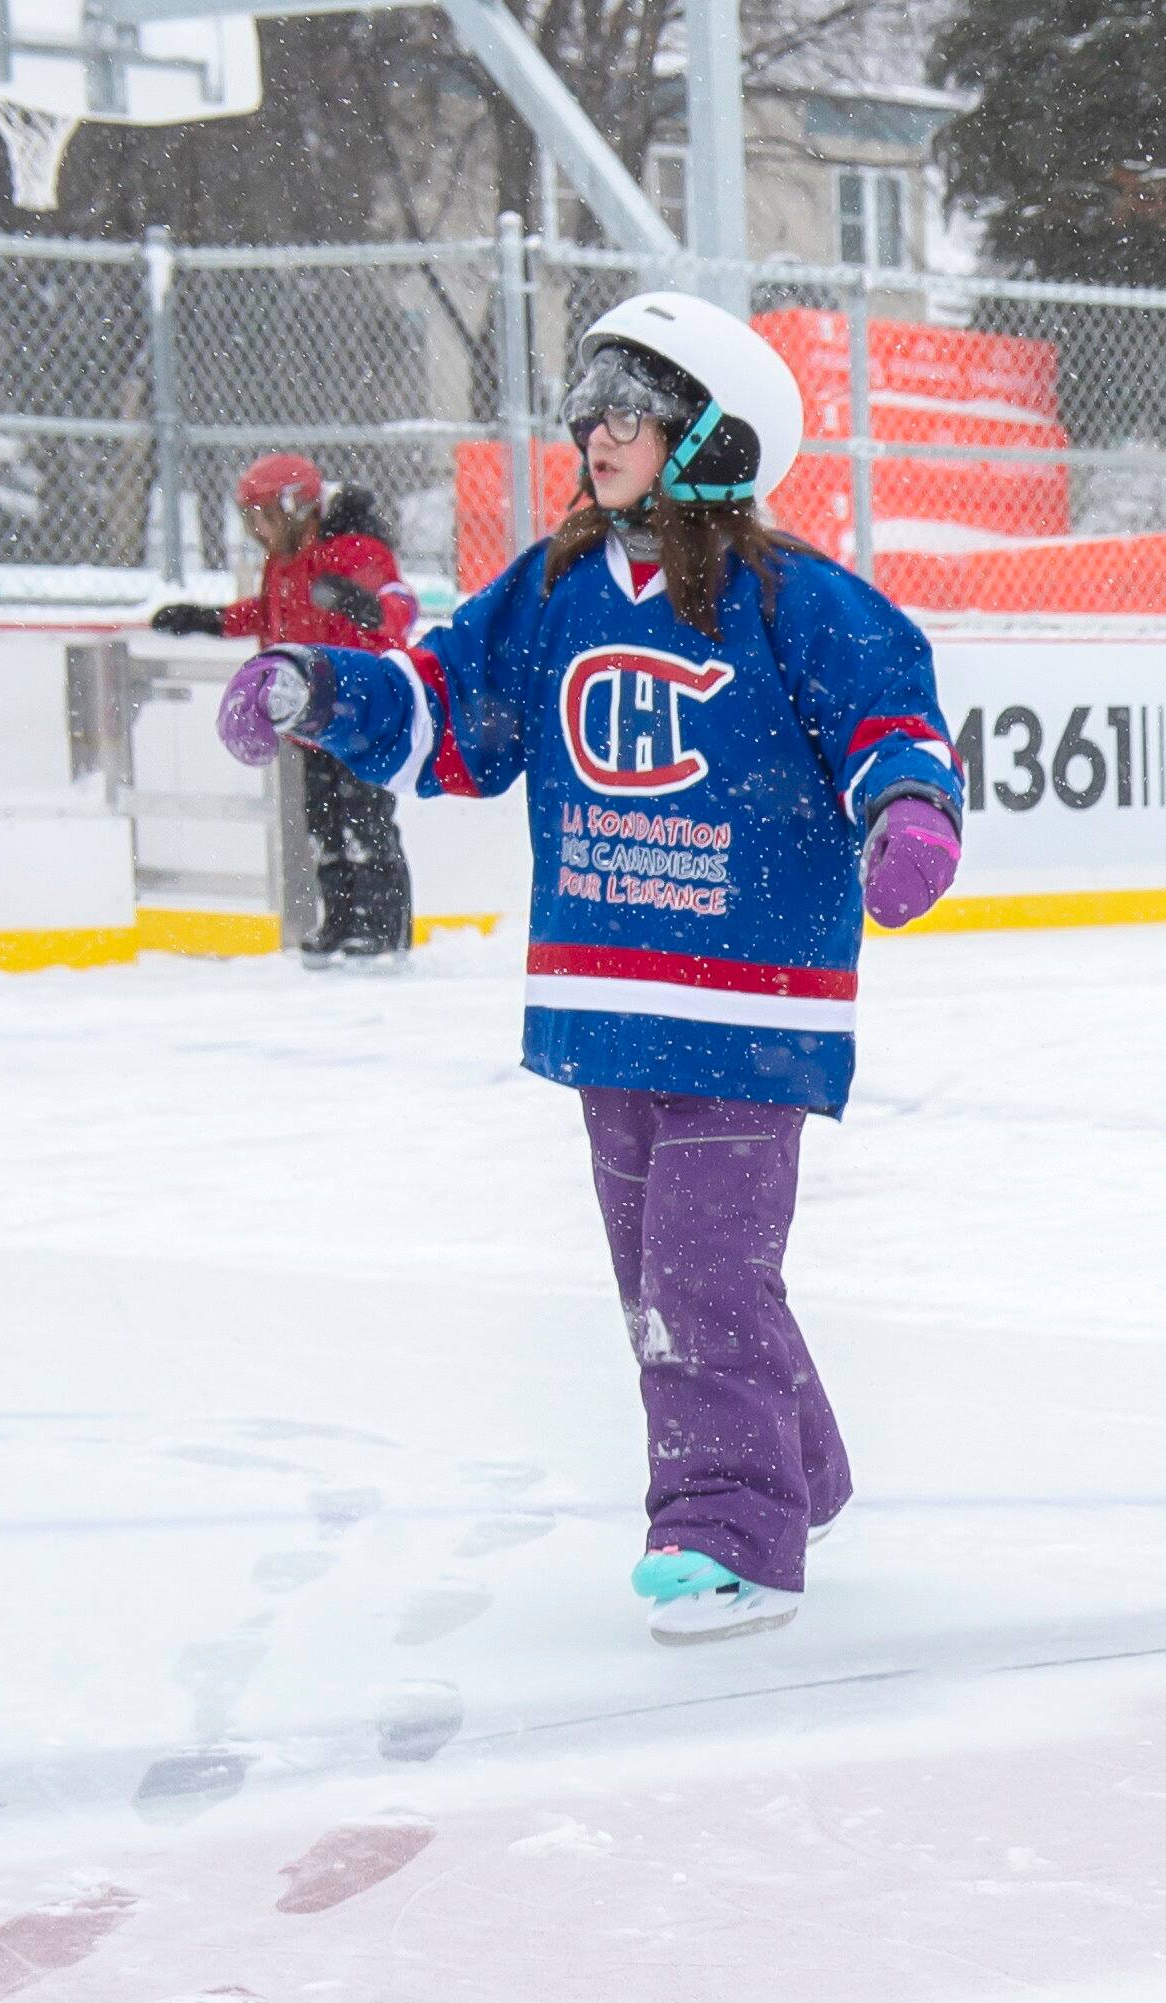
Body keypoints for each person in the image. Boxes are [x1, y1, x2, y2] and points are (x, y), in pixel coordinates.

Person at [224, 292, 966, 1646]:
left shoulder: (795, 600)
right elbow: (452, 713)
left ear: (707, 434)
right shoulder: (557, 589)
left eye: (627, 406)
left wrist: (907, 810)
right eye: (588, 407)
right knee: (661, 1282)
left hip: (752, 1009)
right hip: (606, 1000)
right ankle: (799, 1470)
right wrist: (321, 690)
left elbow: (890, 719)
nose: (594, 431)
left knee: (703, 1277)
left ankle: (729, 1531)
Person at [155, 453, 420, 965]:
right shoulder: (282, 563)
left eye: (264, 515)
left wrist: (366, 607)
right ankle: (340, 921)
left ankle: (385, 929)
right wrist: (210, 619)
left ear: (298, 507)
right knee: (324, 825)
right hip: (312, 720)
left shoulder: (353, 551)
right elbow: (271, 614)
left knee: (367, 820)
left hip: (361, 715)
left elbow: (399, 603)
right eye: (251, 516)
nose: (257, 528)